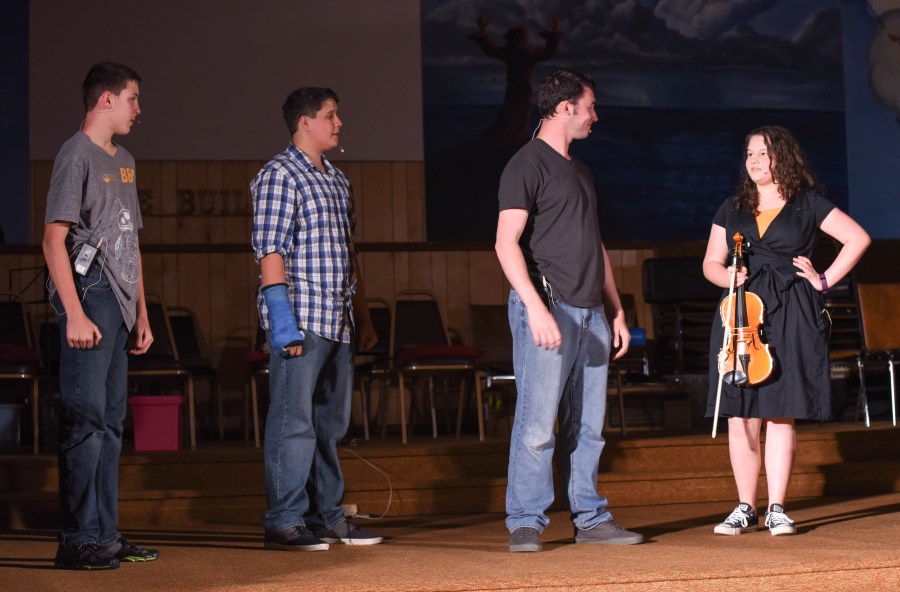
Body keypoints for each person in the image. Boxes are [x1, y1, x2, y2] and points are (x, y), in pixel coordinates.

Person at [495, 69, 644, 553]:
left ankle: (590, 516)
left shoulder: (580, 170)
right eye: (590, 106)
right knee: (538, 425)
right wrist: (535, 308)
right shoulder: (525, 164)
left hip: (591, 312)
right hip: (548, 304)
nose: (595, 116)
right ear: (565, 108)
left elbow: (594, 244)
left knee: (589, 426)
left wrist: (616, 309)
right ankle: (525, 520)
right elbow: (505, 243)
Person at [703, 125, 870, 536]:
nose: (754, 161)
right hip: (742, 315)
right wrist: (728, 277)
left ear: (783, 157)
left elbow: (857, 238)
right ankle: (745, 506)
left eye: (763, 153)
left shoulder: (808, 203)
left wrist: (824, 280)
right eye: (749, 154)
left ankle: (777, 507)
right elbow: (710, 263)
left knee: (781, 412)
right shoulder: (733, 206)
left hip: (792, 309)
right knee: (740, 413)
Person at [251, 87, 381, 551]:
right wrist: (282, 322)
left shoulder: (338, 180)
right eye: (330, 115)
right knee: (293, 423)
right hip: (302, 318)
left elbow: (349, 253)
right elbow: (270, 251)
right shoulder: (279, 175)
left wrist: (363, 316)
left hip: (338, 320)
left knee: (330, 425)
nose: (339, 123)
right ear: (304, 122)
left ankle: (326, 515)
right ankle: (284, 520)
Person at [43, 62, 159, 570]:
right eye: (132, 98)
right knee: (86, 419)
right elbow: (53, 240)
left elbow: (130, 241)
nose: (138, 109)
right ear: (106, 99)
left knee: (111, 422)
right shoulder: (75, 154)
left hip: (121, 300)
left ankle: (106, 534)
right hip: (89, 295)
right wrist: (73, 312)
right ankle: (78, 539)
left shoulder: (125, 159)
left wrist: (143, 313)